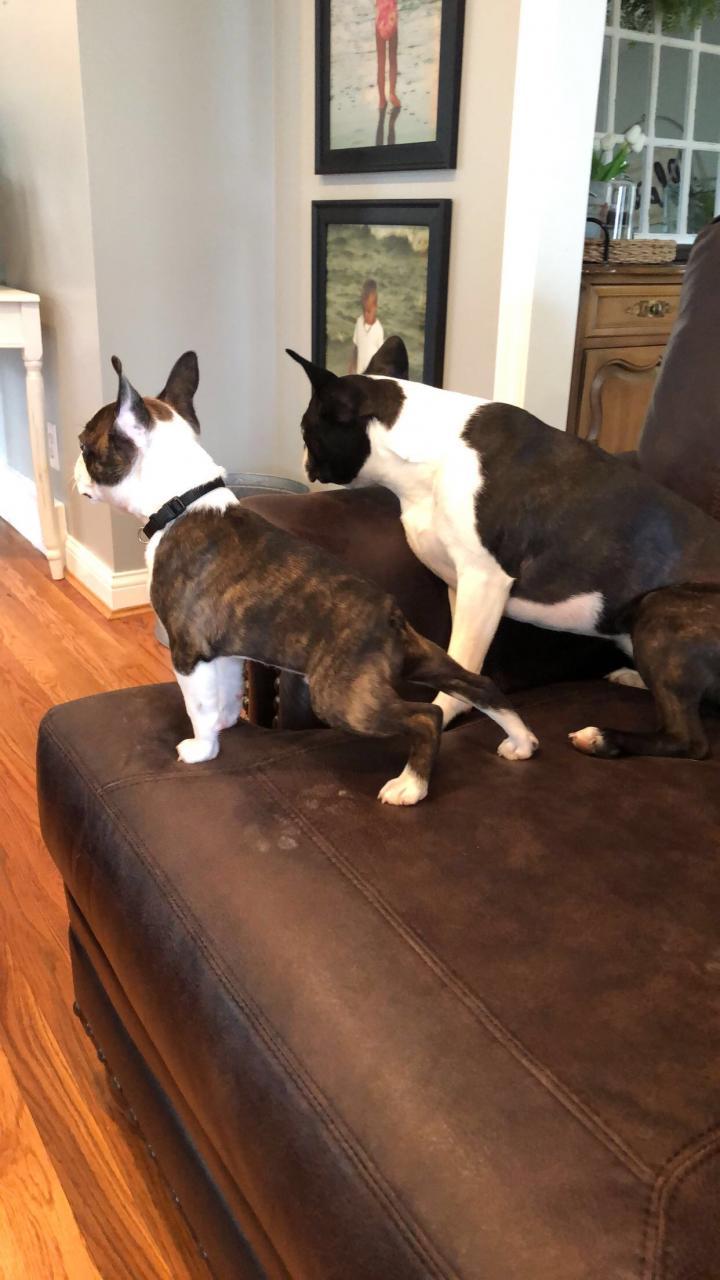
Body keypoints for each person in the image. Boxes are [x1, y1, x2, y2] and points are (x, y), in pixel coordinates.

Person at [349, 278, 385, 374]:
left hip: (372, 376)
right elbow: (356, 346)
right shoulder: (359, 322)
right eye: (364, 311)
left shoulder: (378, 329)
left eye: (369, 311)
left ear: (375, 307)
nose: (366, 315)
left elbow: (381, 358)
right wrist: (351, 366)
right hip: (359, 374)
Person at [376, 0, 400, 111]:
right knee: (393, 60)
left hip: (380, 22)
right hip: (392, 21)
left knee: (381, 63)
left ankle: (382, 99)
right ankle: (392, 93)